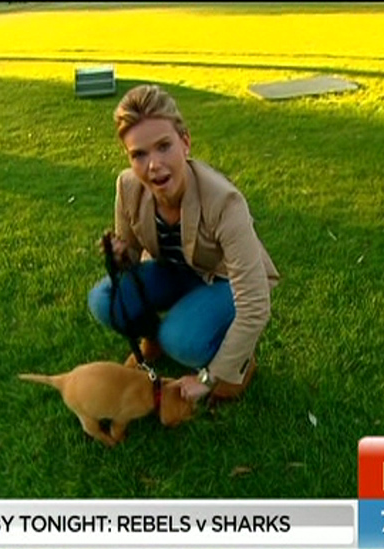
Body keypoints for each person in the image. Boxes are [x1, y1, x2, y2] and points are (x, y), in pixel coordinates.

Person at [88, 84, 280, 402]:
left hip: (224, 281)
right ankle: (154, 340)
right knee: (104, 299)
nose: (153, 165)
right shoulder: (127, 186)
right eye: (139, 154)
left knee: (181, 340)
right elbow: (133, 259)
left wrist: (209, 378)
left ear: (185, 142)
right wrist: (121, 255)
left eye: (163, 146)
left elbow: (255, 303)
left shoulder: (225, 202)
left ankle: (240, 366)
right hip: (176, 271)